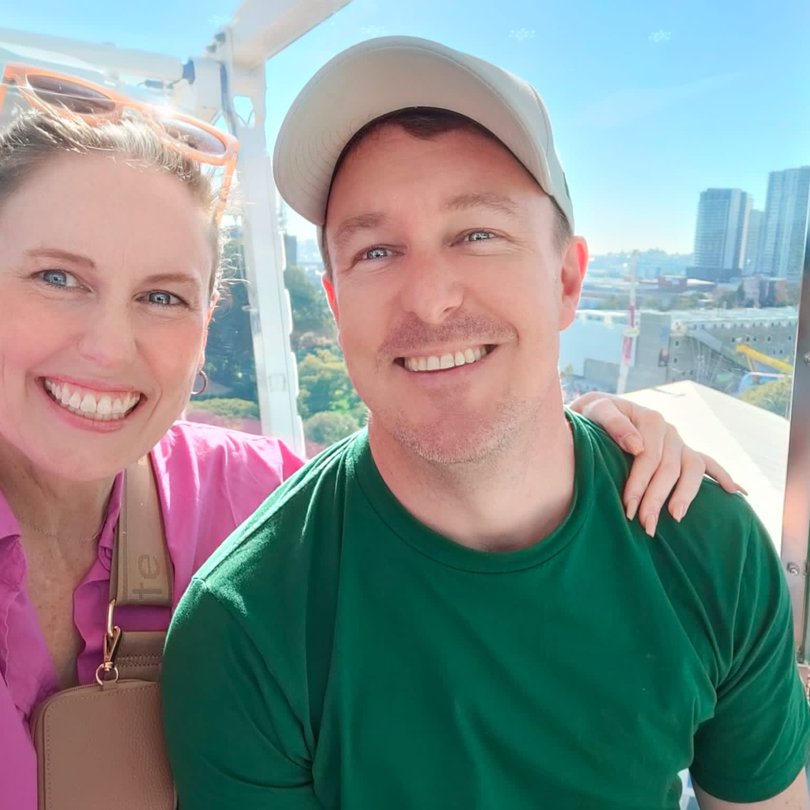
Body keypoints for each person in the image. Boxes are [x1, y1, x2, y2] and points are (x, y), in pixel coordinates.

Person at [0, 68, 718, 810]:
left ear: (205, 322)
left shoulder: (238, 492)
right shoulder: (243, 575)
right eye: (56, 278)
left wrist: (585, 433)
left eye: (161, 296)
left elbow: (430, 464)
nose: (108, 348)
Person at [162, 36, 810, 809]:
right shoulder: (249, 626)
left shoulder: (706, 541)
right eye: (375, 252)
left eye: (477, 235)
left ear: (566, 279)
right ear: (335, 307)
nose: (431, 299)